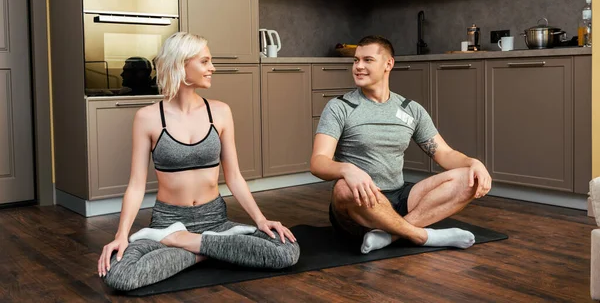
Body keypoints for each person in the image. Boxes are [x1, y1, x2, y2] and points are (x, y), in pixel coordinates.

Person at [98, 32, 300, 291]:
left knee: (286, 251)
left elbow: (234, 177)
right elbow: (136, 185)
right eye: (204, 62)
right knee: (120, 274)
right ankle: (206, 248)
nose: (212, 68)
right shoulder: (147, 118)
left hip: (215, 221)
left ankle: (186, 243)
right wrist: (121, 235)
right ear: (182, 64)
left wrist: (261, 220)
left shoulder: (220, 112)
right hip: (166, 224)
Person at [310, 35, 492, 254]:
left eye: (367, 60)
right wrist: (347, 170)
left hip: (400, 197)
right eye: (356, 60)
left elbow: (444, 153)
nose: (358, 66)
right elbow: (318, 162)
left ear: (389, 64)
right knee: (342, 187)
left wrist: (475, 163)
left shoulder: (410, 109)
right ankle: (423, 235)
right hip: (360, 203)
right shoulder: (339, 107)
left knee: (468, 178)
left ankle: (391, 235)